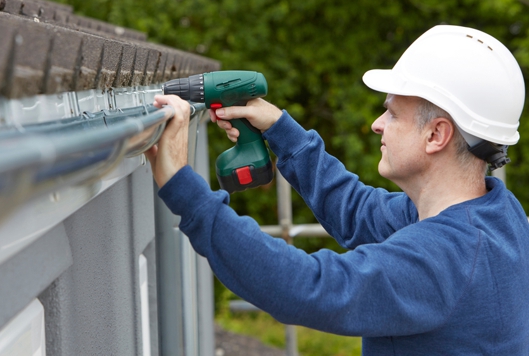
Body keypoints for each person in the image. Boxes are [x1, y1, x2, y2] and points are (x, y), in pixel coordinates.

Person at [146, 25, 529, 355]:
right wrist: (281, 130)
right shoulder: (496, 215)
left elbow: (303, 287)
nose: (378, 124)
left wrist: (183, 185)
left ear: (436, 134)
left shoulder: (445, 259)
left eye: (393, 113)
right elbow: (358, 211)